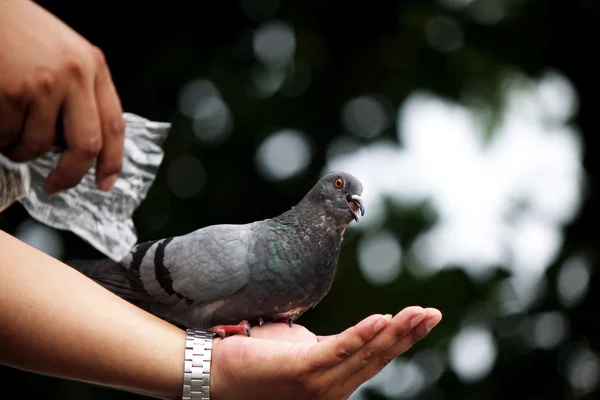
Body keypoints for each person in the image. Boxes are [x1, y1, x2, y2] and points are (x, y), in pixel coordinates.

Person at [0, 1, 443, 399]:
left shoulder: (316, 281)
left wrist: (212, 373)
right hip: (143, 277)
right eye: (343, 188)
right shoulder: (239, 248)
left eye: (356, 196)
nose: (351, 197)